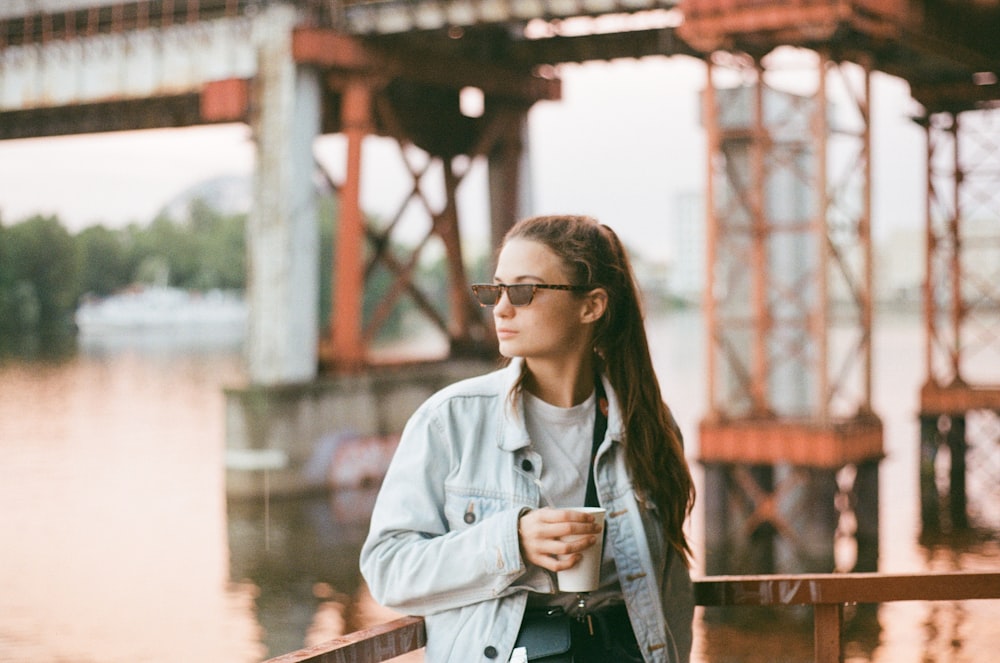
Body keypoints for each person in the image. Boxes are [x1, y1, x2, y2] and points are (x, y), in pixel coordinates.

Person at [360, 215, 695, 662]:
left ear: (591, 306)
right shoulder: (451, 420)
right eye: (495, 290)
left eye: (523, 291)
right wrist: (512, 542)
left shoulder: (648, 425)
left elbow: (673, 592)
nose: (501, 308)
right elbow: (388, 570)